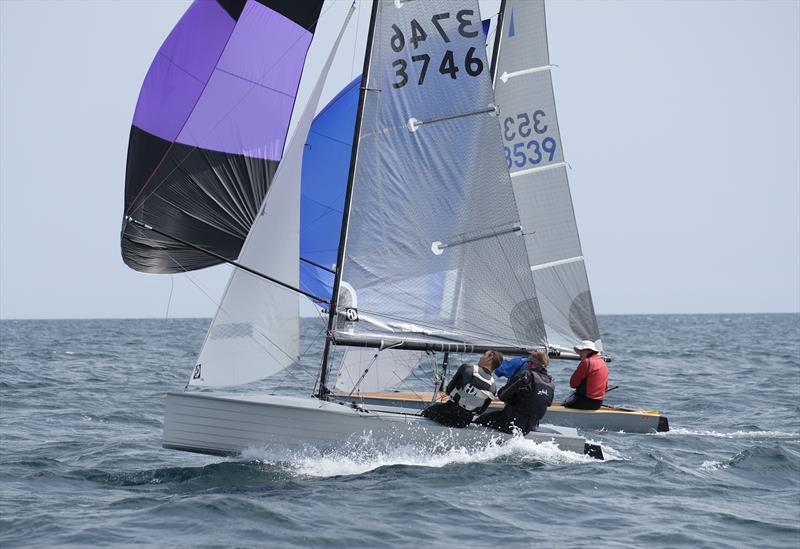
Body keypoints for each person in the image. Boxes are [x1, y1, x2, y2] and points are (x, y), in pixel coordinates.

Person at [474, 351, 554, 435]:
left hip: (511, 422)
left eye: (528, 362)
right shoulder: (551, 382)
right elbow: (548, 403)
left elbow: (502, 395)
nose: (527, 365)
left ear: (533, 364)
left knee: (480, 420)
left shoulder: (526, 375)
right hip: (531, 427)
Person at [421, 350, 502, 428]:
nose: (481, 357)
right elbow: (480, 411)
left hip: (447, 413)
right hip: (464, 422)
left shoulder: (467, 368)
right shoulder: (493, 387)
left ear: (490, 358)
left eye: (484, 355)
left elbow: (449, 390)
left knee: (426, 412)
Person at [562, 340, 608, 410]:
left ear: (589, 351)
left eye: (581, 351)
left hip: (584, 402)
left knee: (564, 404)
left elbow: (573, 384)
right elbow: (606, 387)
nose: (580, 354)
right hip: (598, 403)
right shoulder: (603, 363)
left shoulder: (586, 362)